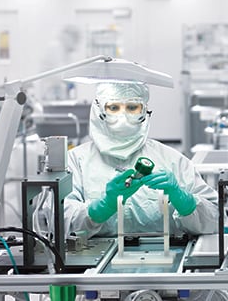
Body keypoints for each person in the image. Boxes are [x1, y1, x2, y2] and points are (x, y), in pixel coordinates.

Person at [64, 82, 218, 238]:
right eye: (114, 107)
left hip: (164, 256)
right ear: (99, 111)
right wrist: (102, 207)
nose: (122, 117)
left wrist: (182, 199)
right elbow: (57, 223)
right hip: (93, 259)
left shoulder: (171, 159)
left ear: (144, 111)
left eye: (132, 108)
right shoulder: (76, 161)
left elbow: (215, 219)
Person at [37, 25, 81, 101]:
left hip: (60, 91)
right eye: (75, 39)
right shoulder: (55, 47)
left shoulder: (66, 51)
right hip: (51, 91)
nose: (76, 43)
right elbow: (59, 73)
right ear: (68, 37)